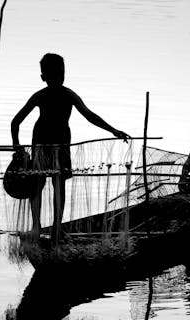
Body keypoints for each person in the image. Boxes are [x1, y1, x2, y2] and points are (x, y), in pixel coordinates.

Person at [11, 53, 131, 242]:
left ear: (43, 76)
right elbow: (15, 122)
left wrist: (113, 130)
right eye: (59, 73)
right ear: (60, 74)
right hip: (44, 145)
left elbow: (15, 123)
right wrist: (17, 149)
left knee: (48, 184)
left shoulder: (53, 95)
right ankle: (45, 228)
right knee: (46, 184)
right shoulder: (60, 95)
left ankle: (51, 228)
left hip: (54, 144)